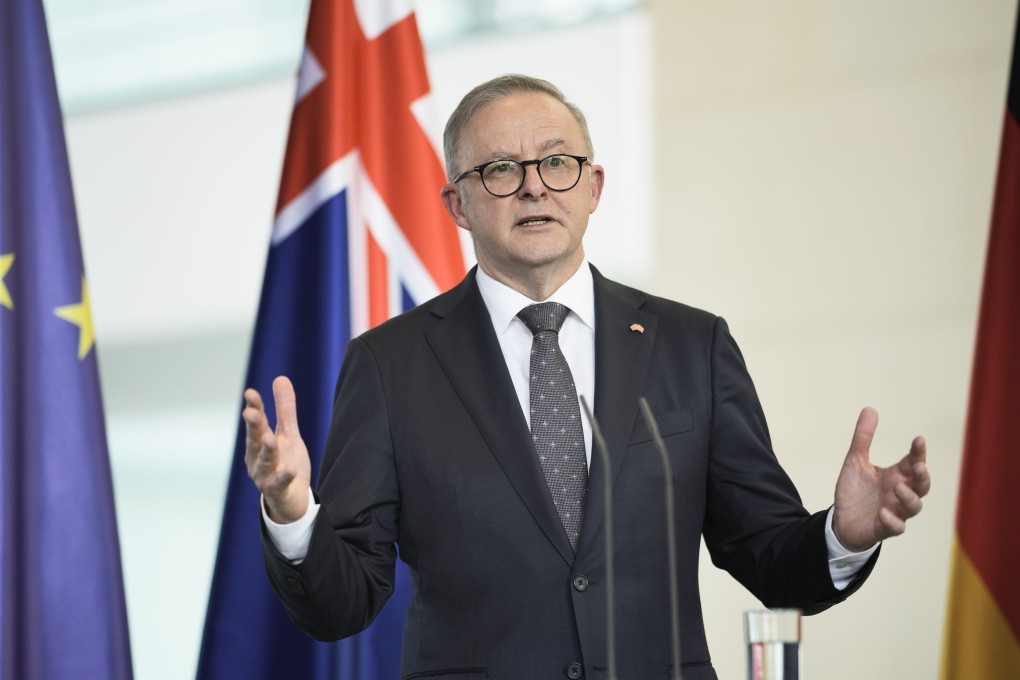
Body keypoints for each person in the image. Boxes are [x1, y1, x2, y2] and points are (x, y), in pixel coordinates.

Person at [243, 74, 930, 680]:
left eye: (556, 162)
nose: (535, 184)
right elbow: (342, 605)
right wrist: (295, 512)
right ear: (457, 204)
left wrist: (842, 535)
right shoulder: (391, 366)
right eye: (502, 169)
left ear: (593, 186)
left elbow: (769, 557)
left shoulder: (693, 345)